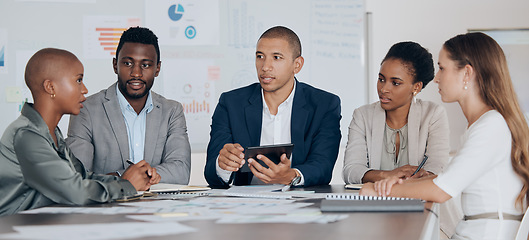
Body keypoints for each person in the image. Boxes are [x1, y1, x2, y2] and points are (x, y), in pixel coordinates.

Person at [360, 32, 529, 239]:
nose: (436, 78)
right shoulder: (483, 124)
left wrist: (379, 192)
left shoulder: (491, 126)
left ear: (466, 73)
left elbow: (441, 190)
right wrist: (391, 182)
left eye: (442, 68)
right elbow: (442, 180)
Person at [0, 48, 156, 216]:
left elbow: (82, 177)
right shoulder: (26, 136)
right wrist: (126, 185)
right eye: (78, 80)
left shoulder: (51, 134)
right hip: (15, 229)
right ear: (50, 87)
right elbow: (75, 191)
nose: (85, 89)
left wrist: (132, 179)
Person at [204, 26, 341, 188]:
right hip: (245, 205)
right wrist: (223, 166)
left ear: (297, 65)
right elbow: (211, 173)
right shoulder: (231, 103)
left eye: (276, 57)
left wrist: (291, 176)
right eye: (260, 56)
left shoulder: (324, 105)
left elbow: (323, 166)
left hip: (300, 203)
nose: (265, 66)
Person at [67, 27, 191, 184]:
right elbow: (77, 177)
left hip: (158, 206)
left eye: (145, 65)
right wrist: (125, 179)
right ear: (115, 65)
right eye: (127, 63)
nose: (136, 73)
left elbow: (180, 172)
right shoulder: (86, 109)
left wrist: (134, 176)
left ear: (157, 69)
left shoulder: (172, 111)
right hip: (107, 205)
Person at [343, 42, 449, 184]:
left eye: (395, 83)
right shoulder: (362, 116)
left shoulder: (433, 115)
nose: (384, 89)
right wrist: (388, 175)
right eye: (381, 79)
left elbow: (438, 169)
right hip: (373, 203)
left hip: (418, 202)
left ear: (416, 87)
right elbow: (351, 171)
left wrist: (420, 177)